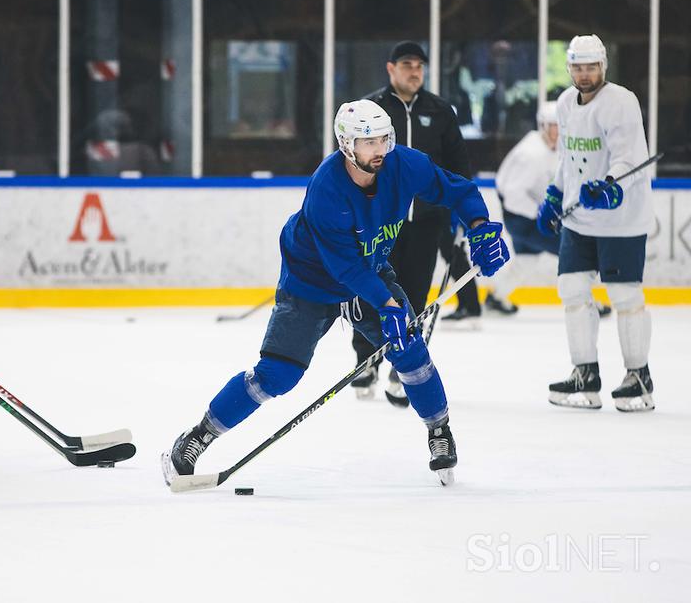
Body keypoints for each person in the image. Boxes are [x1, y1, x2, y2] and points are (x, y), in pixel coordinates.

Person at [161, 99, 510, 487]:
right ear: (347, 144)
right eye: (368, 142)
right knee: (277, 375)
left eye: (383, 139)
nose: (379, 149)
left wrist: (480, 225)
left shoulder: (404, 164)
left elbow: (457, 190)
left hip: (370, 269)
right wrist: (389, 304)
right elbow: (344, 267)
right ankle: (199, 435)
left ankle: (439, 431)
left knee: (410, 351)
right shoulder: (327, 188)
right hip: (312, 280)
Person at [352, 41, 479, 406]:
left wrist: (462, 214)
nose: (414, 71)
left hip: (426, 222)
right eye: (407, 64)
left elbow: (458, 164)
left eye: (419, 65)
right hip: (381, 222)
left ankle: (402, 366)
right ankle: (365, 361)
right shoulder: (372, 109)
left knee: (414, 296)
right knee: (371, 290)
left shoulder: (440, 111)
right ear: (391, 69)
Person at [536, 34, 654, 412]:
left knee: (624, 295)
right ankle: (585, 373)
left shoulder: (621, 102)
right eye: (577, 67)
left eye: (591, 67)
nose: (584, 74)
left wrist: (609, 188)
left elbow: (632, 158)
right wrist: (556, 194)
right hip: (579, 219)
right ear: (569, 67)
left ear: (603, 66)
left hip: (620, 220)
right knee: (571, 290)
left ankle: (639, 377)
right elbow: (569, 159)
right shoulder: (567, 102)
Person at [491, 101, 611, 318]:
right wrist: (543, 212)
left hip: (527, 218)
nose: (557, 131)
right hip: (524, 219)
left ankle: (497, 297)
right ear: (542, 126)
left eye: (561, 126)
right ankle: (586, 303)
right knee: (574, 253)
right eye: (552, 126)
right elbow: (512, 196)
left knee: (527, 259)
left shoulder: (553, 148)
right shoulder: (531, 154)